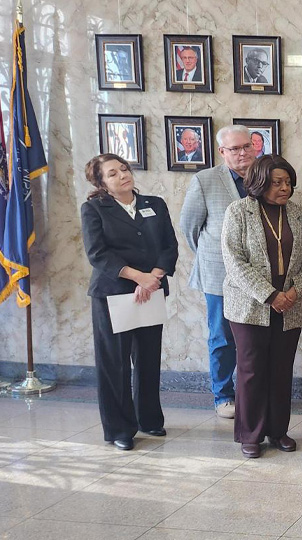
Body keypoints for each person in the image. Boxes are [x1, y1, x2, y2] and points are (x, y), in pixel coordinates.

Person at [221, 155, 302, 459]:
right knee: (252, 370)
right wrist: (269, 295)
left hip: (291, 305)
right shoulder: (239, 211)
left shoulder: (298, 214)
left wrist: (292, 292)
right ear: (260, 182)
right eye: (277, 182)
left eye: (288, 182)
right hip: (249, 306)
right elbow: (234, 261)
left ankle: (278, 430)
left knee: (280, 370)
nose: (284, 188)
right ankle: (250, 433)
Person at [80, 153, 178, 451]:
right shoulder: (94, 208)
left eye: (124, 169)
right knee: (115, 364)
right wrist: (139, 278)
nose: (123, 175)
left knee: (148, 359)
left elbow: (169, 245)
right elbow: (97, 253)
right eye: (112, 173)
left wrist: (154, 277)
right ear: (101, 182)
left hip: (152, 289)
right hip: (113, 294)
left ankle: (148, 419)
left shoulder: (154, 204)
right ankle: (120, 428)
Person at [180, 125, 256, 419]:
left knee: (253, 337)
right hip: (219, 275)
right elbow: (190, 228)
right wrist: (213, 256)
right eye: (235, 149)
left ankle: (252, 393)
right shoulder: (205, 180)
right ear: (222, 152)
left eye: (247, 146)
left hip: (258, 275)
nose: (242, 153)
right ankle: (223, 396)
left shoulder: (265, 176)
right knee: (222, 336)